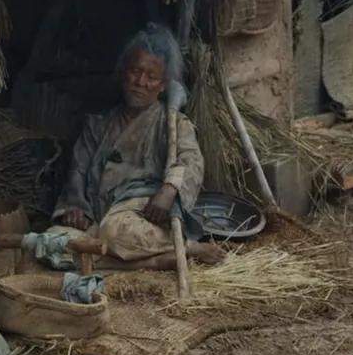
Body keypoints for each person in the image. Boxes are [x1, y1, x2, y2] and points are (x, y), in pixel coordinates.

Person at [49, 23, 226, 270]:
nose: (140, 82)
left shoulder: (171, 124)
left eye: (151, 77)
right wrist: (76, 206)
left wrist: (168, 190)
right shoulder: (98, 124)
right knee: (52, 243)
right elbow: (78, 170)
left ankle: (181, 246)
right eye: (135, 71)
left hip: (140, 215)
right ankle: (160, 259)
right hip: (98, 217)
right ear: (124, 73)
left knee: (114, 233)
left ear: (163, 85)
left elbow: (191, 161)